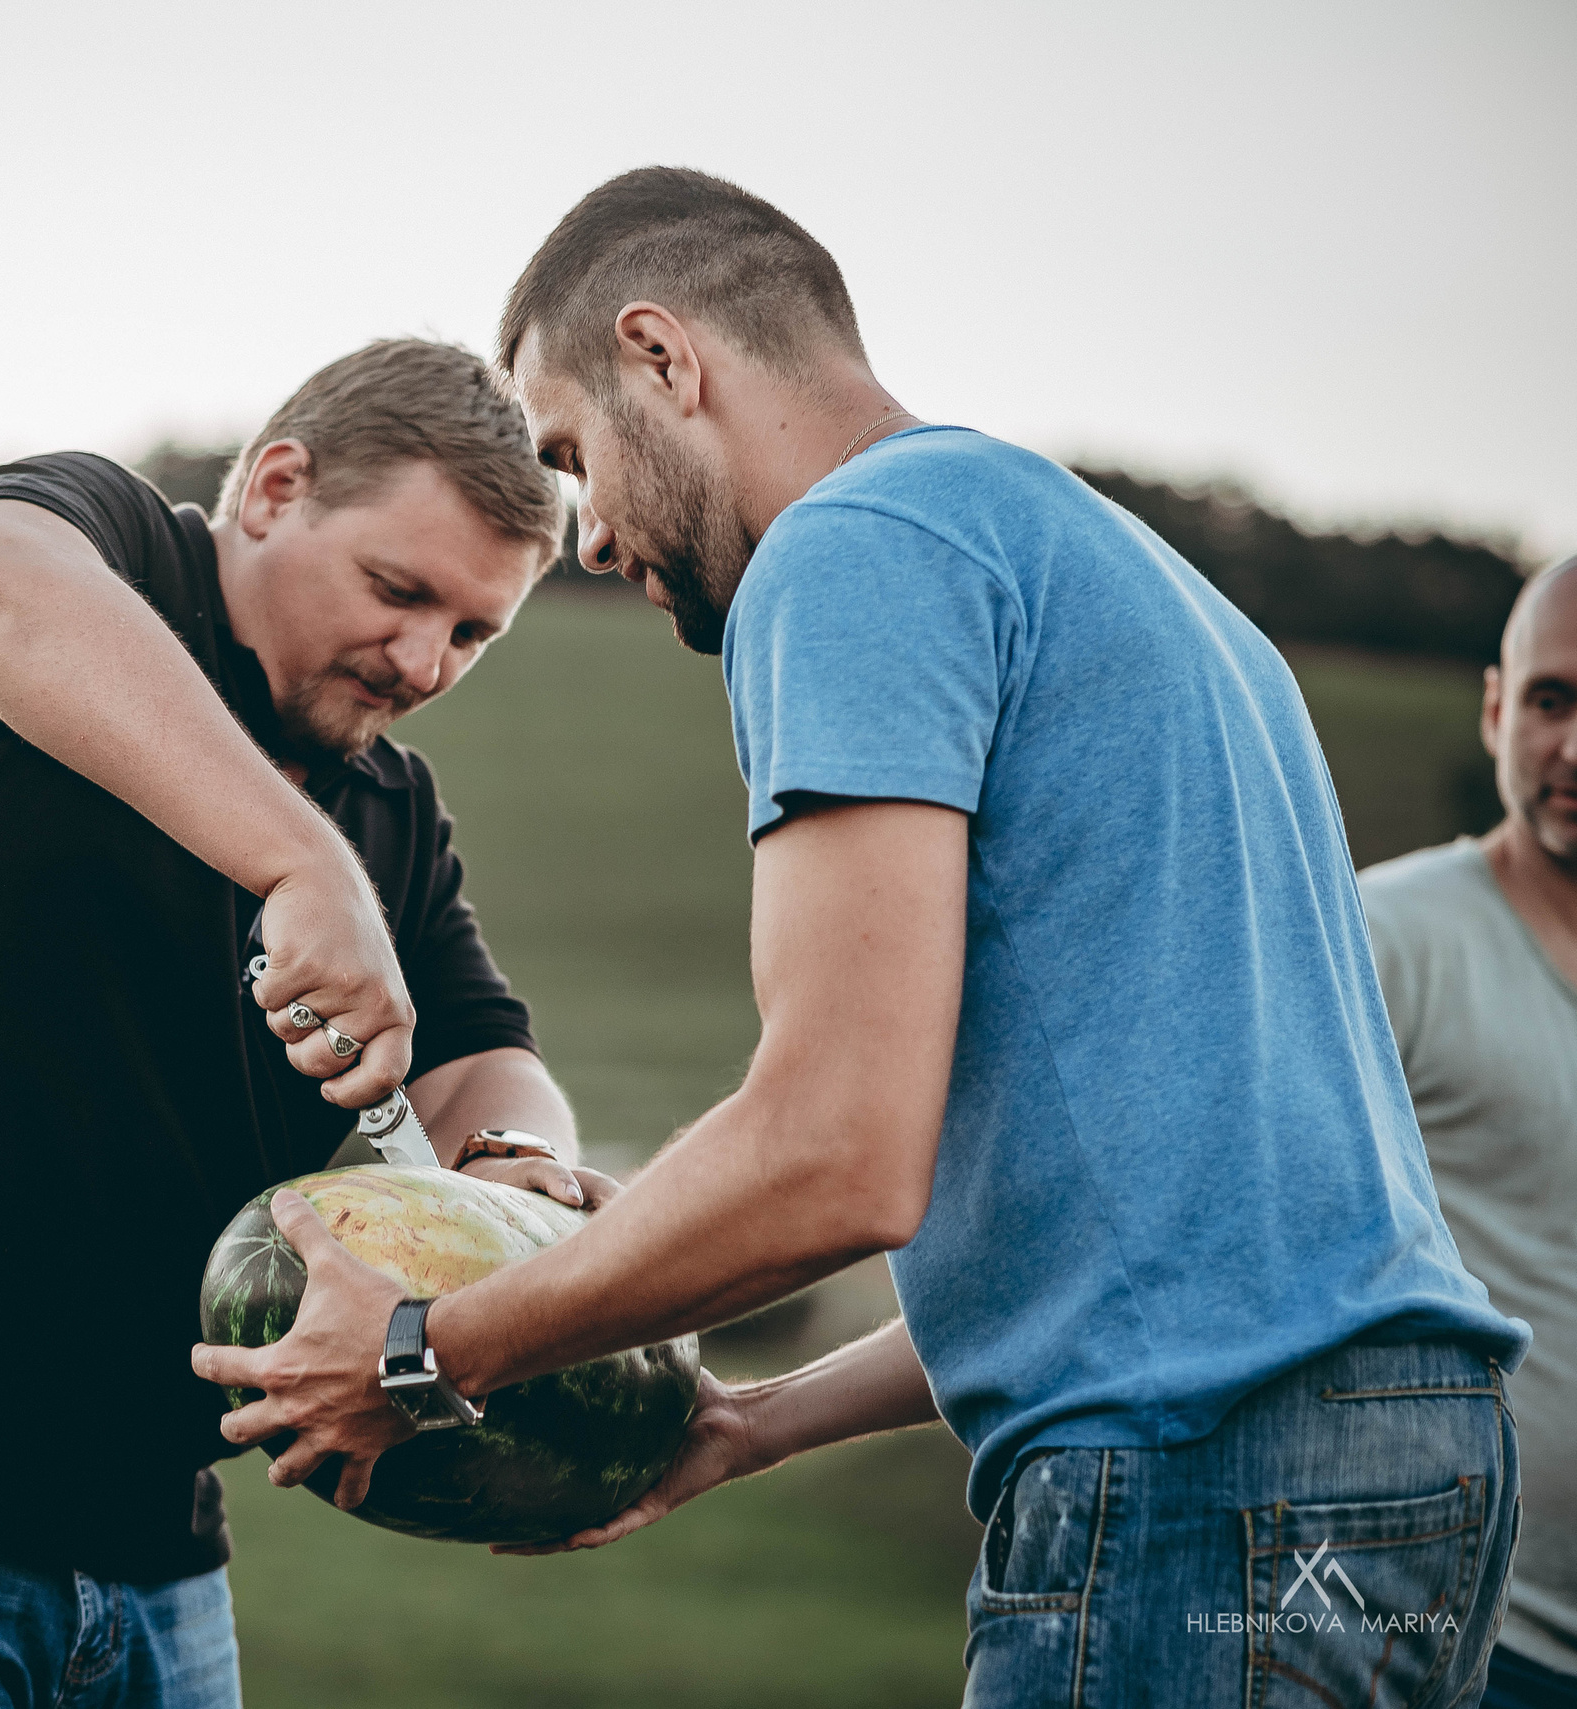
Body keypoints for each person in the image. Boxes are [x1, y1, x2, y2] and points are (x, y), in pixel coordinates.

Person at [196, 168, 1532, 1708]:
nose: (594, 535)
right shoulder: (1138, 586)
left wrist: (431, 1346)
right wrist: (752, 1422)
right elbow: (1141, 1240)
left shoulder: (851, 550)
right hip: (1398, 1469)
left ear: (664, 358)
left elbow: (834, 1147)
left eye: (573, 456)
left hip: (1203, 1485)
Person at [0, 339, 612, 1708]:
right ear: (272, 488)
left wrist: (509, 1187)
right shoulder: (108, 542)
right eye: (399, 590)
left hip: (154, 1553)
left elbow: (483, 1058)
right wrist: (299, 865)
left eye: (474, 631)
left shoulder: (394, 809)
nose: (426, 660)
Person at [1361, 556, 1577, 1709]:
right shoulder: (1384, 942)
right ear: (1496, 705)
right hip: (1449, 1649)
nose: (1575, 748)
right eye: (1552, 699)